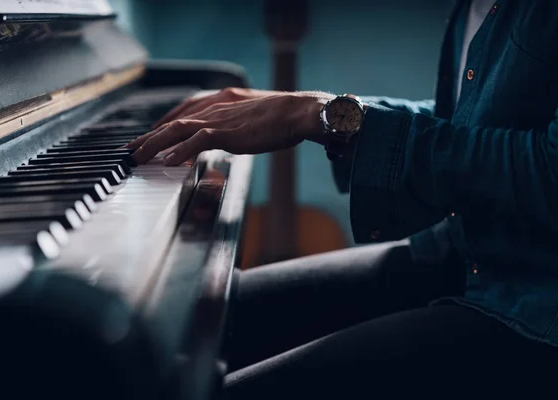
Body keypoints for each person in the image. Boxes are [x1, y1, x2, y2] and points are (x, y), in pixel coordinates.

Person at [127, 0, 558, 397]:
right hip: (461, 252)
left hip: (534, 308)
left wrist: (320, 118)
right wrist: (316, 109)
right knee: (166, 332)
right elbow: (472, 122)